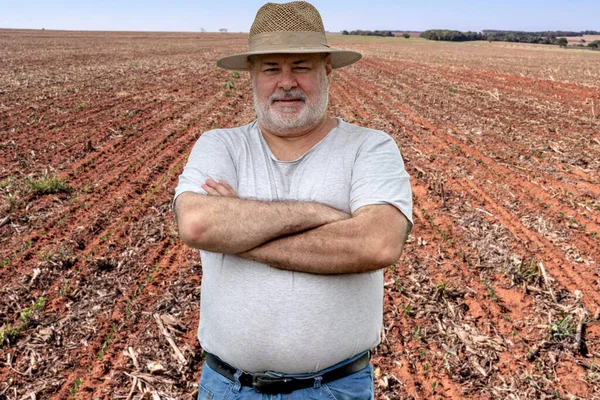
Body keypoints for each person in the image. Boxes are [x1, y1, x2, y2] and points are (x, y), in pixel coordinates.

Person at [173, 1, 413, 398]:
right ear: (251, 76)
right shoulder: (221, 145)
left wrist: (236, 234)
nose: (287, 82)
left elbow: (377, 242)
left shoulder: (369, 148)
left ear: (327, 71)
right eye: (271, 68)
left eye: (300, 66)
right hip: (227, 387)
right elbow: (198, 224)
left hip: (333, 389)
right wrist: (319, 213)